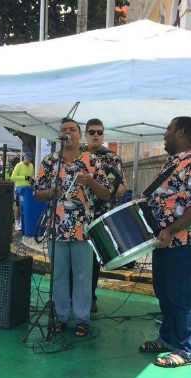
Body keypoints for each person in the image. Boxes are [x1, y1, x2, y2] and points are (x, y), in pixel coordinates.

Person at [139, 116, 191, 368]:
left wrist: (171, 230)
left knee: (181, 293)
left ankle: (185, 350)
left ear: (181, 132)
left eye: (168, 130)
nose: (164, 134)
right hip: (165, 240)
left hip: (182, 239)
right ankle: (168, 338)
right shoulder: (175, 162)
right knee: (164, 289)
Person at [34, 118, 111, 337]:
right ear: (60, 135)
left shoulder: (92, 161)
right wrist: (52, 192)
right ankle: (59, 317)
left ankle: (82, 319)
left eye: (72, 129)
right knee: (58, 275)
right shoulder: (50, 162)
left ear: (80, 135)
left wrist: (91, 182)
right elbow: (37, 193)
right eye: (64, 129)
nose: (68, 132)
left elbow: (106, 193)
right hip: (55, 228)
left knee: (82, 276)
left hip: (82, 228)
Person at [82, 118, 126, 312]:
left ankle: (90, 297)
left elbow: (123, 186)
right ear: (85, 134)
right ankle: (69, 297)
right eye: (92, 132)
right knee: (73, 258)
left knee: (93, 260)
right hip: (78, 214)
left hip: (100, 215)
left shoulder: (113, 158)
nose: (96, 136)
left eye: (99, 132)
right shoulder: (77, 155)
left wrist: (113, 189)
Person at [10, 152, 35, 231]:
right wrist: (25, 178)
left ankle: (22, 222)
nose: (28, 161)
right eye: (27, 159)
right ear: (24, 158)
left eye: (30, 159)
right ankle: (17, 223)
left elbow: (31, 177)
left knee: (26, 206)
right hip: (19, 189)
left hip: (28, 189)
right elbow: (13, 178)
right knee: (18, 205)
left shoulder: (31, 166)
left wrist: (32, 180)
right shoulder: (19, 165)